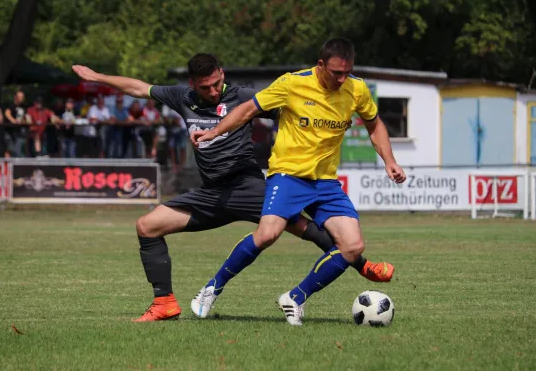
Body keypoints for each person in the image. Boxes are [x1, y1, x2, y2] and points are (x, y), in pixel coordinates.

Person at [71, 53, 394, 323]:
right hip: (210, 193)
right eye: (204, 87)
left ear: (221, 75)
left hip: (248, 187)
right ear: (192, 84)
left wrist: (334, 116)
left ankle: (363, 264)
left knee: (309, 231)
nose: (212, 92)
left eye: (216, 84)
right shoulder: (180, 97)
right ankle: (164, 303)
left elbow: (292, 109)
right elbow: (140, 88)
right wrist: (97, 76)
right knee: (148, 227)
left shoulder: (241, 96)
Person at [190, 38, 406, 326]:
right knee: (268, 234)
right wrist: (213, 132)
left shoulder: (357, 89)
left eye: (347, 72)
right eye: (336, 73)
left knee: (352, 246)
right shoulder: (292, 84)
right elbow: (248, 109)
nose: (342, 79)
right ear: (320, 66)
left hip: (326, 182)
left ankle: (296, 297)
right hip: (288, 175)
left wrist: (389, 161)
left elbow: (374, 123)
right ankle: (211, 288)